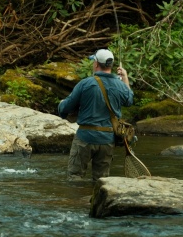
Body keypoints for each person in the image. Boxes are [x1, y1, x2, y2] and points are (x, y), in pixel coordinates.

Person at [57, 49, 133, 181]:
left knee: (75, 177)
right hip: (107, 140)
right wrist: (125, 78)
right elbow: (129, 99)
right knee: (101, 181)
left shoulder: (86, 83)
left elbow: (66, 107)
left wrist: (61, 106)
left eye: (94, 62)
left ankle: (74, 201)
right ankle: (98, 201)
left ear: (96, 64)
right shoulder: (120, 86)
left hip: (85, 138)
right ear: (110, 65)